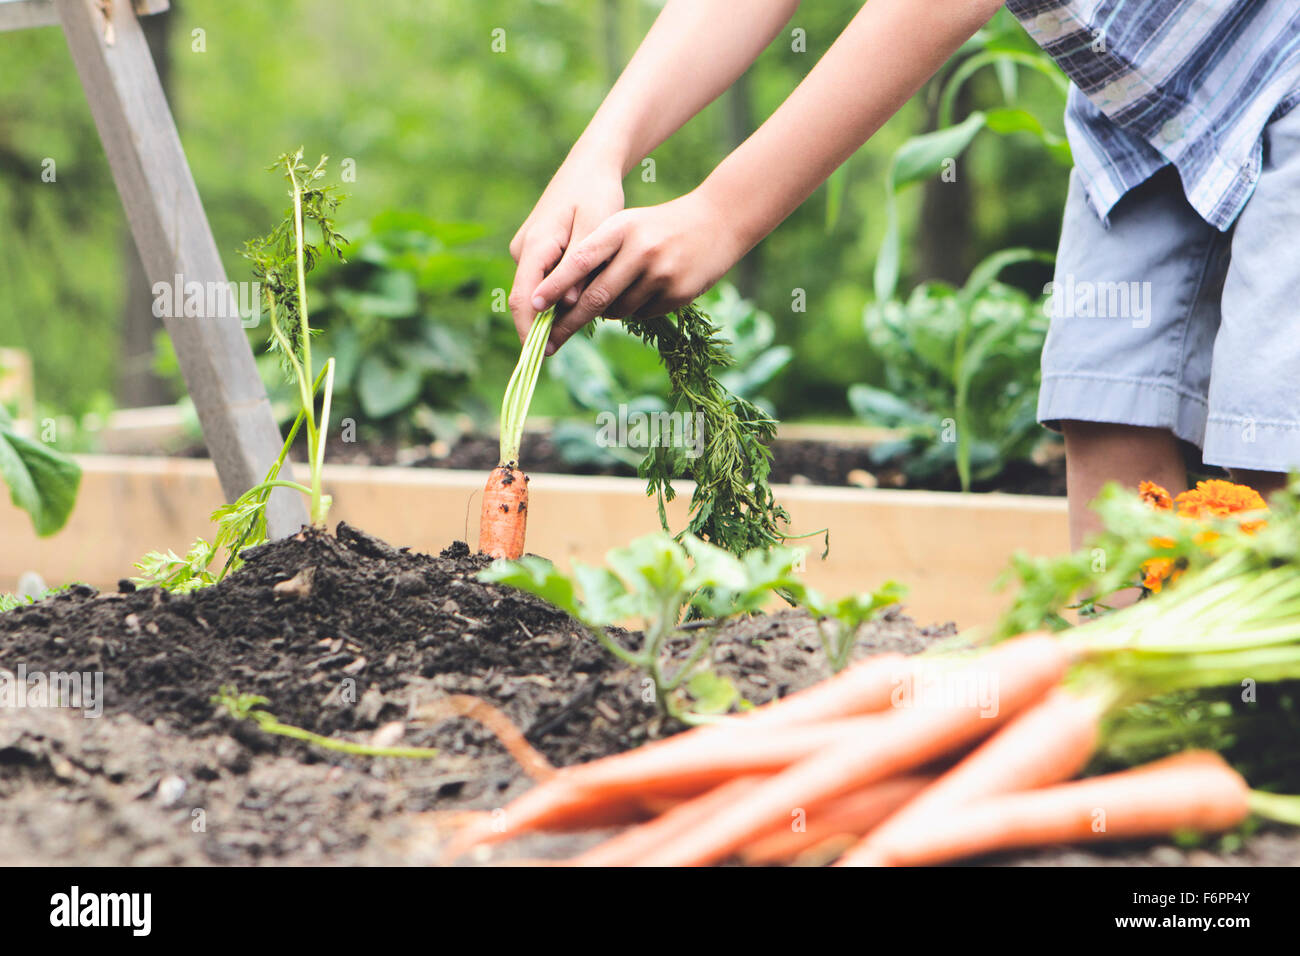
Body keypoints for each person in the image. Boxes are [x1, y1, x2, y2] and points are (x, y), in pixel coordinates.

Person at [508, 0, 1300, 548]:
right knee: (1110, 418)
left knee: (1274, 458)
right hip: (1138, 93)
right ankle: (1137, 752)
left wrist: (722, 213)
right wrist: (599, 153)